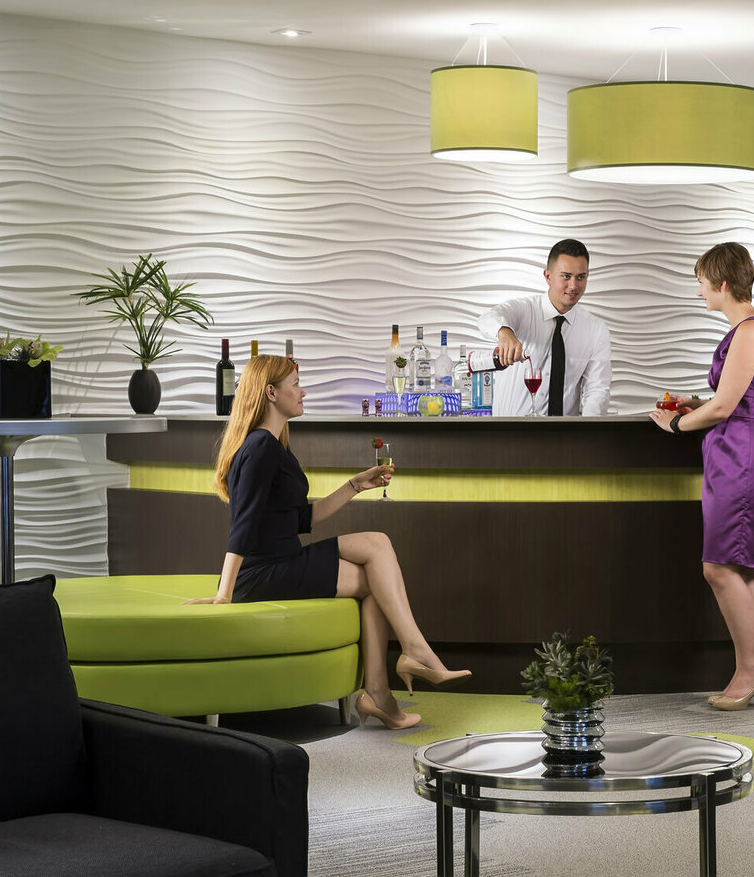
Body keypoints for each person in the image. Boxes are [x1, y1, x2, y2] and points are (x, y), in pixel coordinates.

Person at [186, 354, 469, 729]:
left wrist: (355, 485)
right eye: (295, 385)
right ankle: (399, 670)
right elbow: (243, 525)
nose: (303, 392)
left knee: (377, 551)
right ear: (271, 393)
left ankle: (388, 683)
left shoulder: (273, 446)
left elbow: (302, 519)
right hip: (264, 573)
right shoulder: (261, 447)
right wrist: (224, 593)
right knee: (376, 575)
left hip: (284, 560)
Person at [649, 243, 754, 711]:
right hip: (738, 454)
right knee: (740, 568)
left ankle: (750, 670)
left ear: (723, 283)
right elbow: (733, 398)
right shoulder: (750, 330)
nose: (699, 291)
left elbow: (726, 407)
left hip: (742, 458)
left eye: (702, 282)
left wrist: (677, 423)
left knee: (719, 568)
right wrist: (696, 404)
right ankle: (752, 669)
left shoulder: (749, 331)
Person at [477, 238, 612, 417]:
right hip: (509, 431)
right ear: (548, 276)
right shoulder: (524, 310)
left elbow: (597, 390)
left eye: (581, 277)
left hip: (564, 433)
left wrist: (588, 430)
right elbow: (487, 318)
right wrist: (504, 332)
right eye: (566, 276)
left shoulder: (596, 330)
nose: (573, 286)